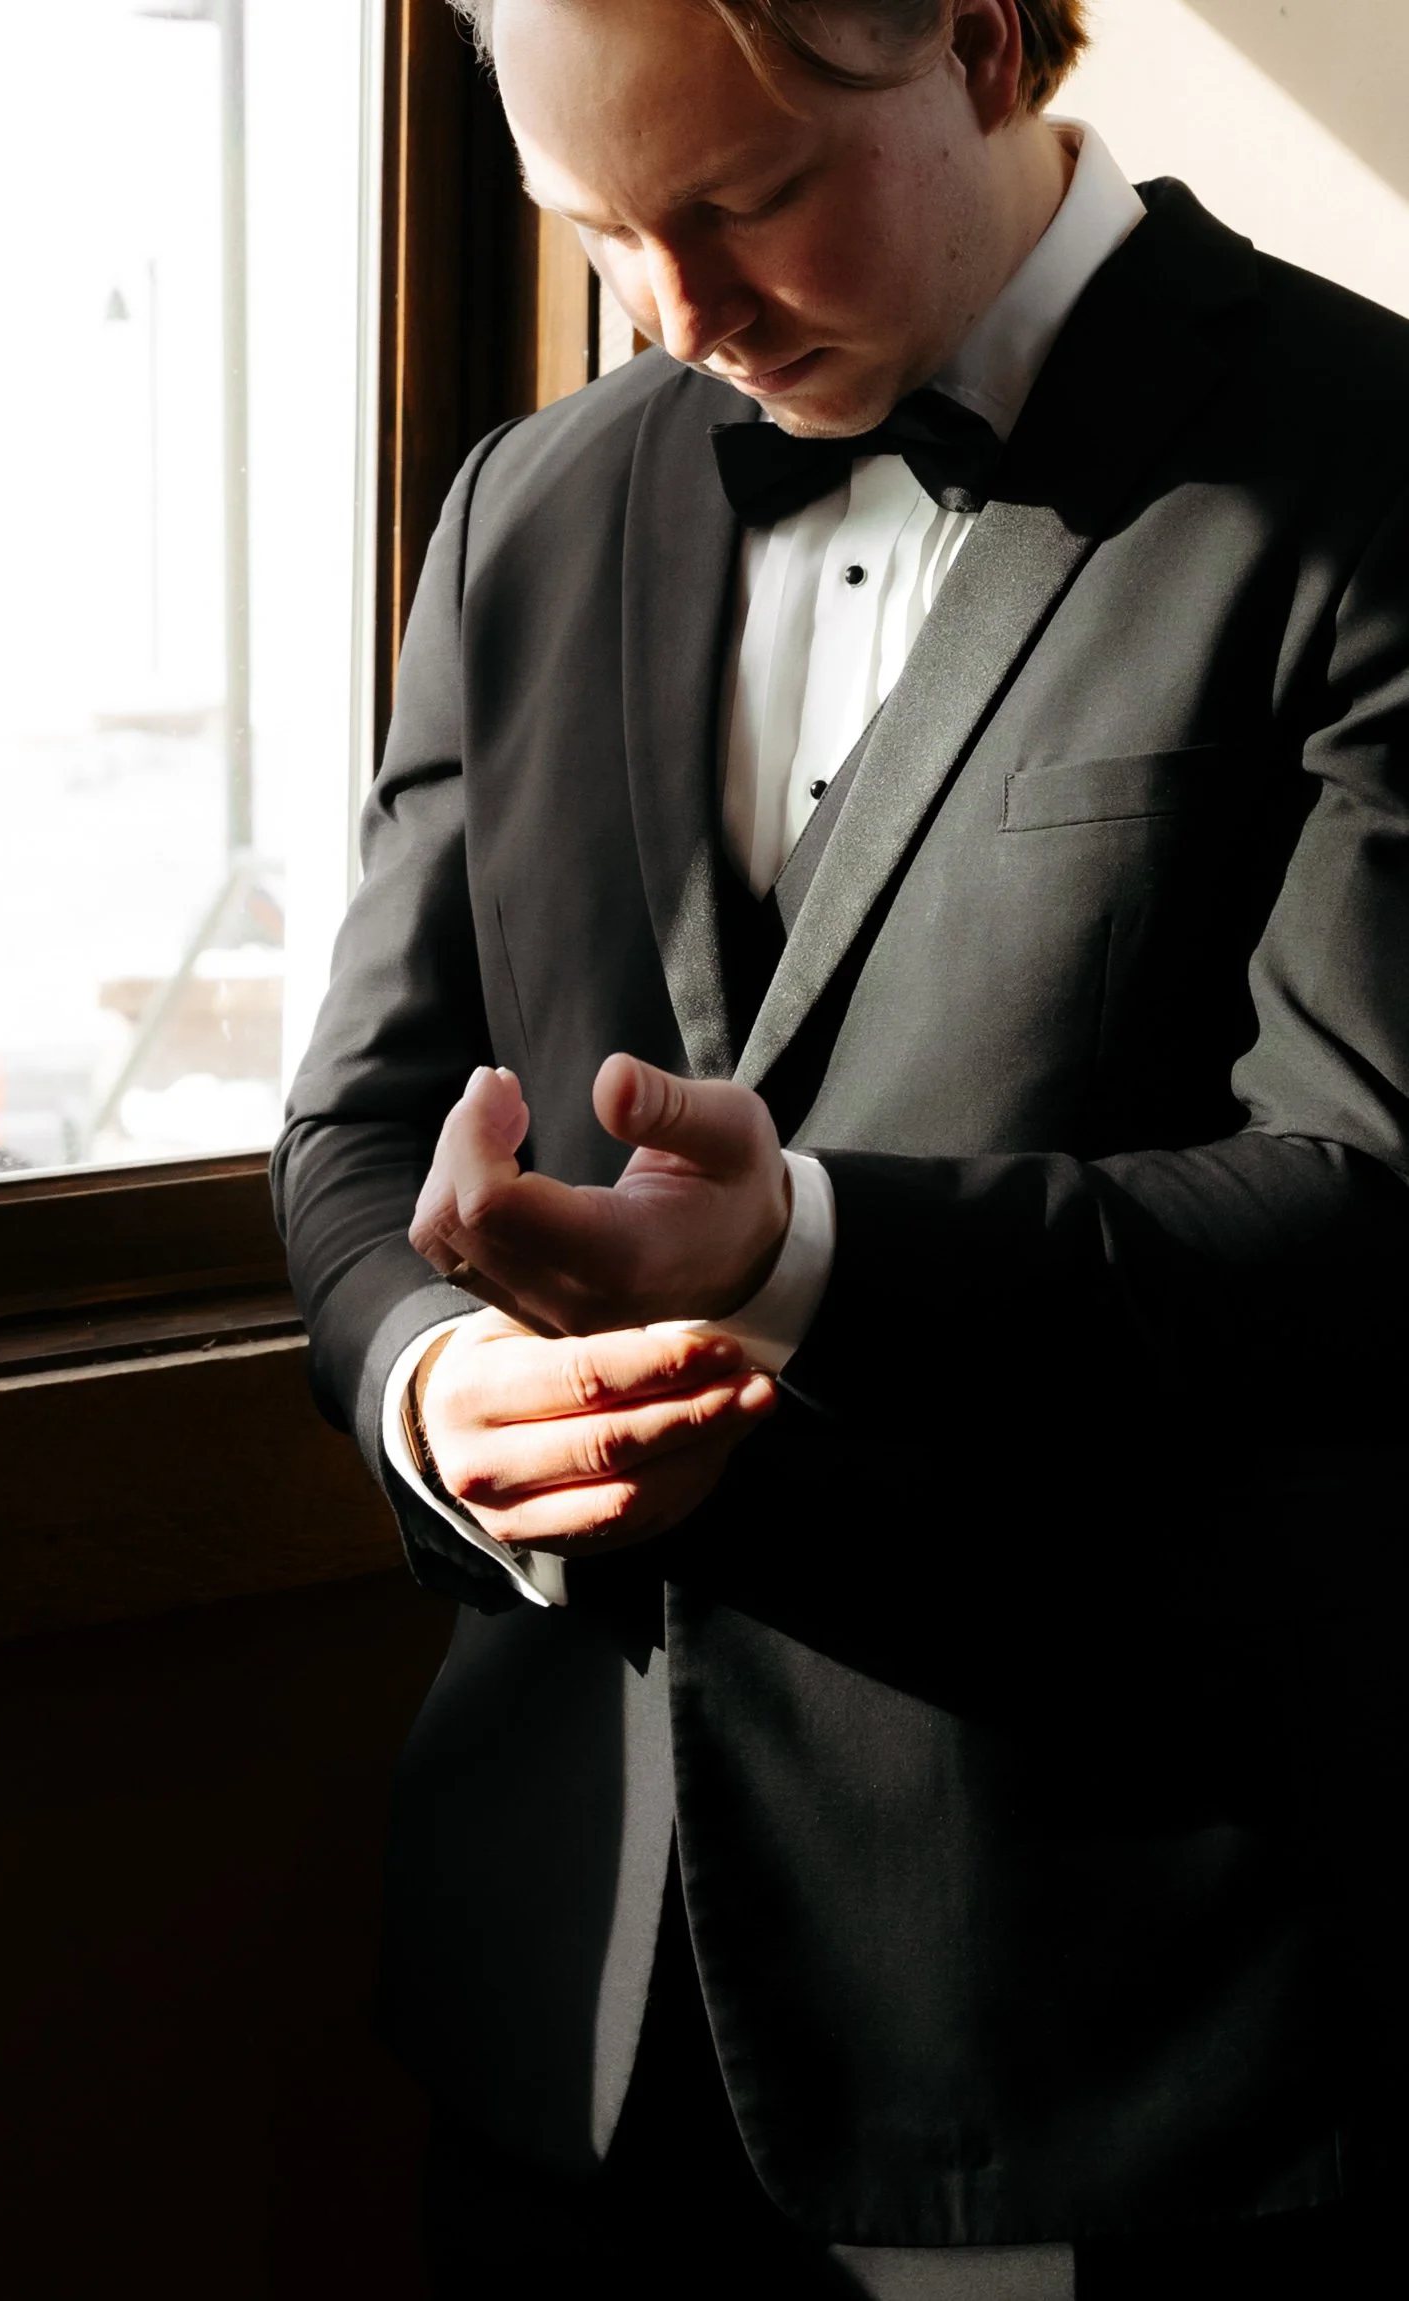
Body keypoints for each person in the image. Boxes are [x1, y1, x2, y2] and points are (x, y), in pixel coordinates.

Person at [272, 2, 1409, 2292]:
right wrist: (433, 1393)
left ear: (982, 42)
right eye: (594, 228)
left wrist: (793, 1254)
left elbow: (1370, 1203)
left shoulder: (1365, 458)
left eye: (743, 198)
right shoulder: (521, 498)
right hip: (566, 2010)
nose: (672, 317)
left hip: (1138, 2021)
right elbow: (355, 1126)